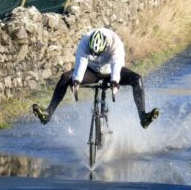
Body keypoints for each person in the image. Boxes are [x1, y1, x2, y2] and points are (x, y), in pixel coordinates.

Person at [32, 28, 160, 128]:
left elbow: (117, 65)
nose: (96, 55)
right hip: (92, 71)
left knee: (137, 78)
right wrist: (76, 81)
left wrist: (114, 83)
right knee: (66, 77)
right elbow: (81, 63)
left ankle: (143, 117)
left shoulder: (115, 43)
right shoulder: (85, 41)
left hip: (111, 72)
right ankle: (48, 114)